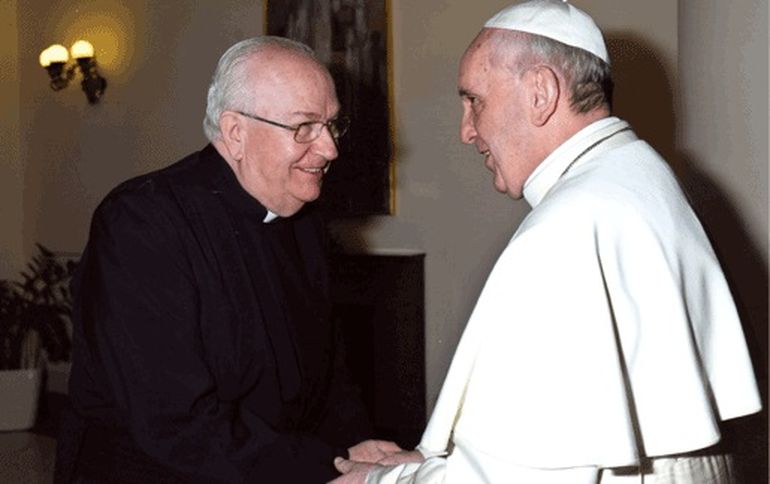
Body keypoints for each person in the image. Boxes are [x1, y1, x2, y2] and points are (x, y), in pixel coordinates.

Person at [332, 1, 762, 483]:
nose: (466, 130)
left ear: (540, 92)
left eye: (475, 101)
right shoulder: (639, 174)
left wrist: (376, 481)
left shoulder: (565, 232)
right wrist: (431, 465)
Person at [55, 36, 402, 483]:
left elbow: (328, 373)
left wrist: (355, 447)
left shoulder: (303, 220)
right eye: (305, 127)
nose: (330, 148)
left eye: (333, 124)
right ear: (236, 131)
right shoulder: (142, 221)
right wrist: (329, 466)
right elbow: (173, 421)